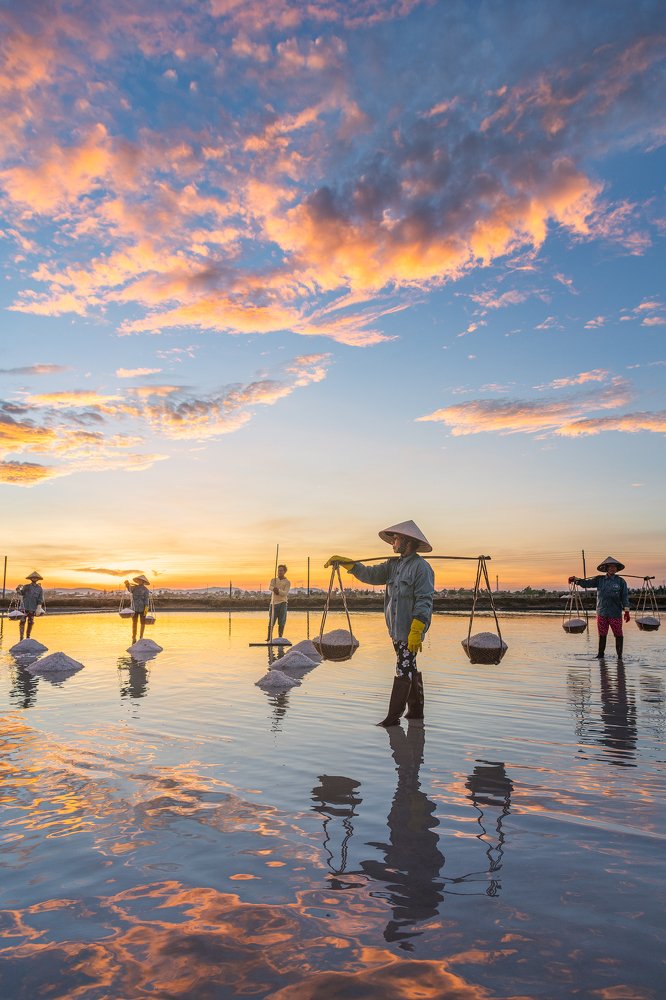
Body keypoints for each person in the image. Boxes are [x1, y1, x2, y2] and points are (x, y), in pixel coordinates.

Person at [326, 519, 435, 726]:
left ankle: (393, 717)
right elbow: (371, 574)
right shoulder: (392, 566)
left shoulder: (421, 568)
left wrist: (418, 628)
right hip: (395, 628)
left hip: (410, 629)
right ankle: (415, 713)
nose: (393, 542)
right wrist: (351, 565)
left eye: (396, 538)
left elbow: (424, 599)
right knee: (408, 666)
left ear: (407, 541)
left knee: (403, 667)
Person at [569, 556, 630, 659]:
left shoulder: (621, 581)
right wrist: (576, 580)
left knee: (618, 634)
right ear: (606, 569)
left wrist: (627, 611)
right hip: (601, 612)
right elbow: (586, 584)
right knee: (602, 634)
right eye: (610, 567)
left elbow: (624, 597)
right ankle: (600, 655)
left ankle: (619, 656)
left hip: (615, 613)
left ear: (616, 569)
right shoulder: (599, 580)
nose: (612, 569)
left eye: (614, 567)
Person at [16, 571, 45, 640]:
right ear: (31, 578)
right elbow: (21, 593)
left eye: (36, 578)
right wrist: (18, 588)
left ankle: (28, 636)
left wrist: (39, 607)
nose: (34, 579)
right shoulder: (26, 587)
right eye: (33, 577)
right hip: (24, 607)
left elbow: (40, 599)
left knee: (31, 622)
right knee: (22, 621)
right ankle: (21, 637)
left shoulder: (39, 588)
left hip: (32, 608)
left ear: (37, 579)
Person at [124, 575, 151, 643]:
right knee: (134, 622)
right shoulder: (134, 588)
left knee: (142, 623)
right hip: (134, 608)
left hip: (143, 608)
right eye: (138, 580)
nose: (139, 581)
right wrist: (127, 584)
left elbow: (146, 600)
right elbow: (130, 589)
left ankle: (141, 637)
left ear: (143, 582)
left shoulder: (146, 590)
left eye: (140, 580)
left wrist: (146, 609)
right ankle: (134, 637)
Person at [267, 564, 290, 639]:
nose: (279, 572)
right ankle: (269, 638)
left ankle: (280, 637)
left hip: (283, 603)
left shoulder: (287, 582)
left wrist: (278, 591)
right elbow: (270, 587)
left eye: (281, 570)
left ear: (284, 571)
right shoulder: (274, 580)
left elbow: (285, 593)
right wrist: (274, 589)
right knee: (271, 621)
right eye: (279, 570)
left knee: (281, 621)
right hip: (273, 603)